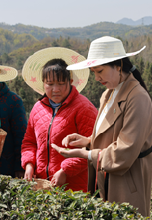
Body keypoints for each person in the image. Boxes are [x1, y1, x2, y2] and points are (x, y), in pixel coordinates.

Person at [51, 36, 152, 217]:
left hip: (127, 181)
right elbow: (113, 133)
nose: (96, 77)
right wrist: (88, 140)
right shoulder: (109, 93)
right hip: (106, 177)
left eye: (100, 71)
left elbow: (125, 149)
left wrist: (86, 154)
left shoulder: (137, 97)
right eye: (93, 72)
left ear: (119, 65)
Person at [21, 47, 97, 192]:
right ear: (43, 83)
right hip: (41, 184)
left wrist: (65, 170)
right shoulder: (38, 108)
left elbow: (93, 147)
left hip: (75, 187)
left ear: (71, 81)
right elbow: (29, 142)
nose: (55, 89)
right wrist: (29, 165)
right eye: (50, 84)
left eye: (61, 84)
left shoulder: (83, 107)